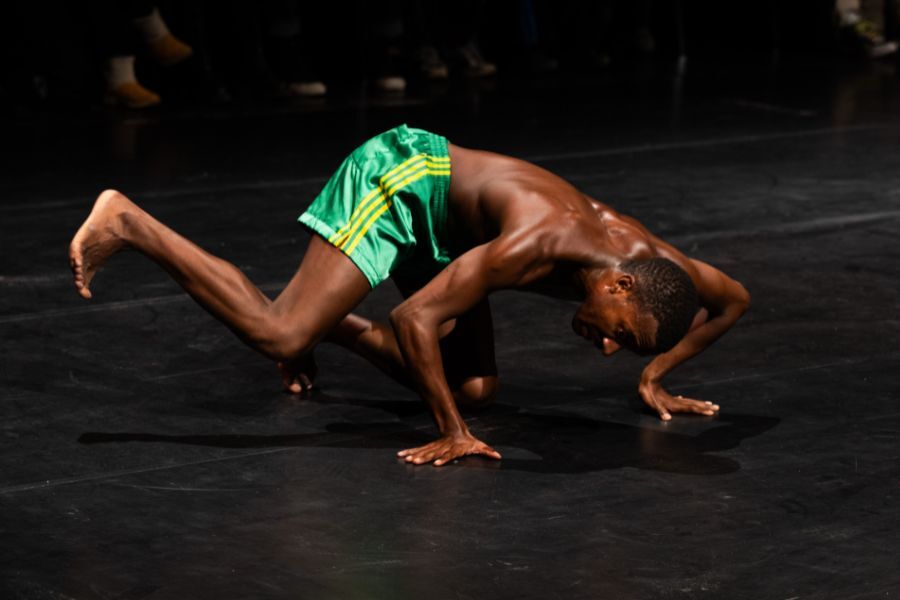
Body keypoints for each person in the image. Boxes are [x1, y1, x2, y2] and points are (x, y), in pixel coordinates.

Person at [68, 125, 750, 467]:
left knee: (477, 388)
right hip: (399, 179)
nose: (606, 347)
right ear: (618, 283)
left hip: (451, 233)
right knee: (278, 333)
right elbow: (414, 316)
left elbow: (735, 300)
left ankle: (326, 326)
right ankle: (130, 222)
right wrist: (452, 433)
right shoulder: (540, 245)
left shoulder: (665, 269)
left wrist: (654, 375)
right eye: (619, 335)